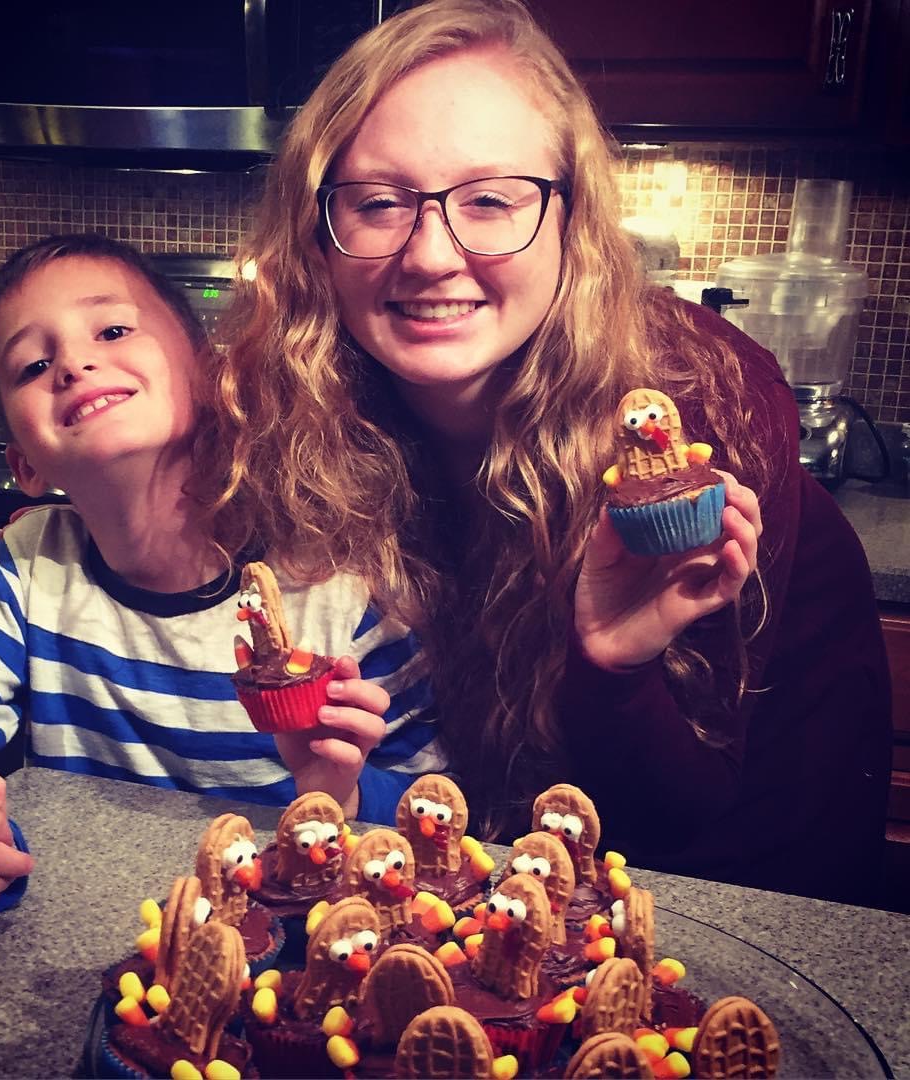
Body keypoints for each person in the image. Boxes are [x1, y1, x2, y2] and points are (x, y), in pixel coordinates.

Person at [206, 0, 892, 905]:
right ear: (318, 236)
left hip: (749, 909)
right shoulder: (318, 406)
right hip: (494, 897)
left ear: (571, 220)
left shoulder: (695, 420)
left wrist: (612, 668)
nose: (430, 255)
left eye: (491, 200)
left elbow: (684, 831)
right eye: (379, 203)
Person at [0, 234, 442, 918]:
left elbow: (440, 814)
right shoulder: (33, 566)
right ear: (25, 465)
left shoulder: (342, 590)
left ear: (212, 378)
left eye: (113, 329)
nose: (72, 363)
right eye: (33, 364)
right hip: (79, 941)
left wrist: (346, 795)